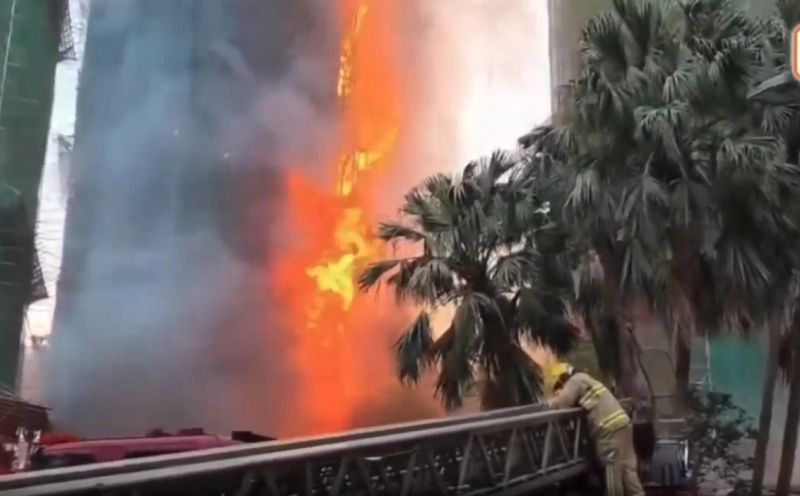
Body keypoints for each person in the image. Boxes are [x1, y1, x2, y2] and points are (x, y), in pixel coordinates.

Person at [545, 362, 645, 496]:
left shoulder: (576, 380)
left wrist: (552, 401)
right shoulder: (589, 381)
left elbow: (562, 404)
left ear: (562, 379)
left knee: (613, 471)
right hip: (623, 425)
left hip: (609, 430)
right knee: (628, 469)